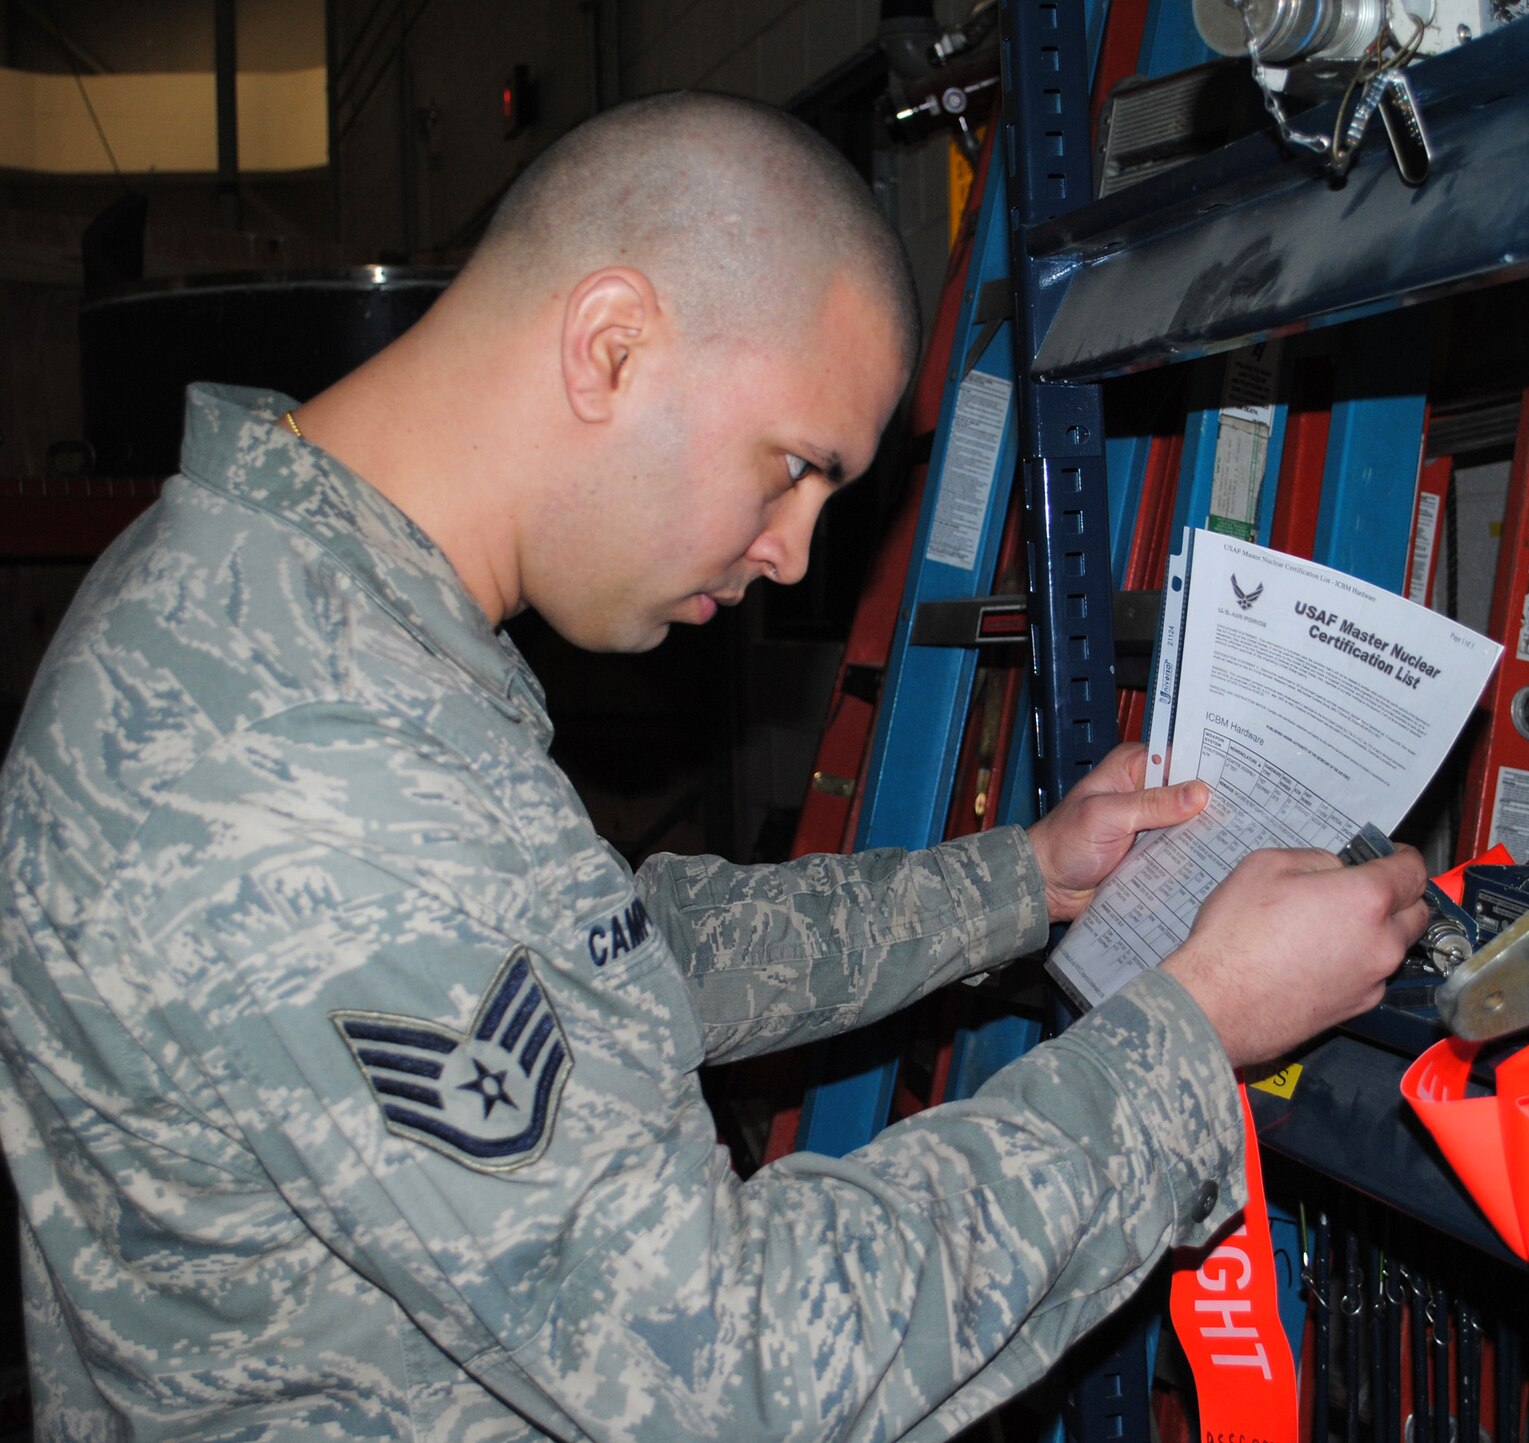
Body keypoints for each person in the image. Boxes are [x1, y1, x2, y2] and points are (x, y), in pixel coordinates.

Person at [0, 92, 1429, 1441]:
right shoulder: (313, 752)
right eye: (793, 467)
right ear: (611, 345)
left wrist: (1025, 879)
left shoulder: (298, 617)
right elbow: (735, 1375)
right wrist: (1192, 1033)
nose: (795, 552)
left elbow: (605, 965)